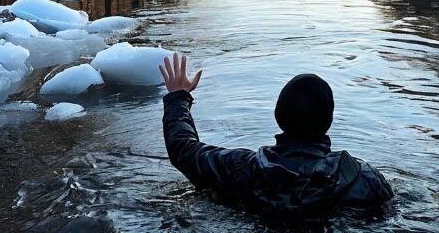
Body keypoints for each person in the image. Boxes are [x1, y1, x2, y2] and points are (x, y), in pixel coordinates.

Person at [159, 53, 393, 215]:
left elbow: (183, 149)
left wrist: (179, 98)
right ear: (328, 121)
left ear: (278, 115)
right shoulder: (364, 179)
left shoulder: (243, 168)